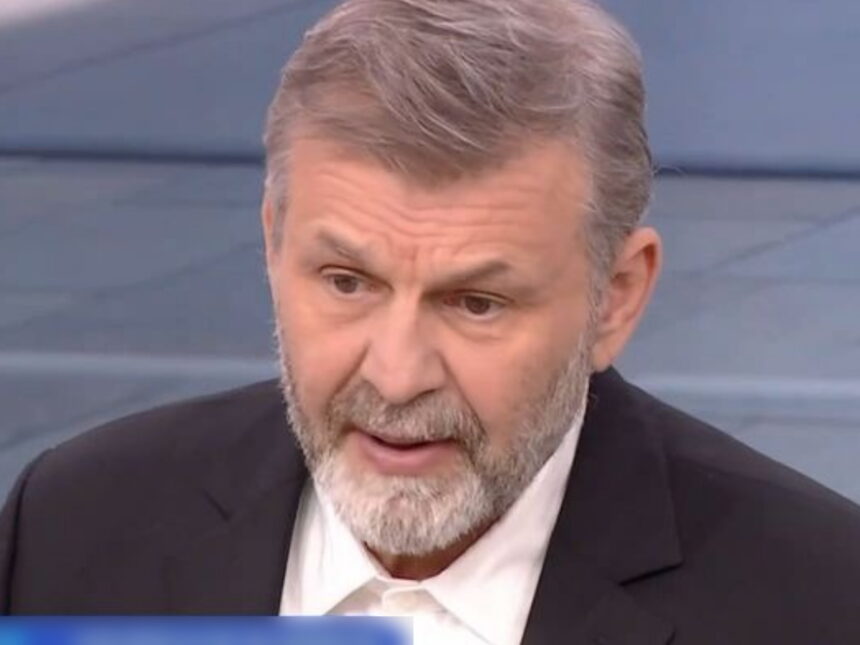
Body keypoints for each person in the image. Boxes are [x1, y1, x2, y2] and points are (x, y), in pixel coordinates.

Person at [2, 0, 859, 642]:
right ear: (272, 243)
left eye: (475, 302)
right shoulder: (73, 528)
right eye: (347, 282)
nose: (397, 375)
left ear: (616, 296)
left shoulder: (817, 598)